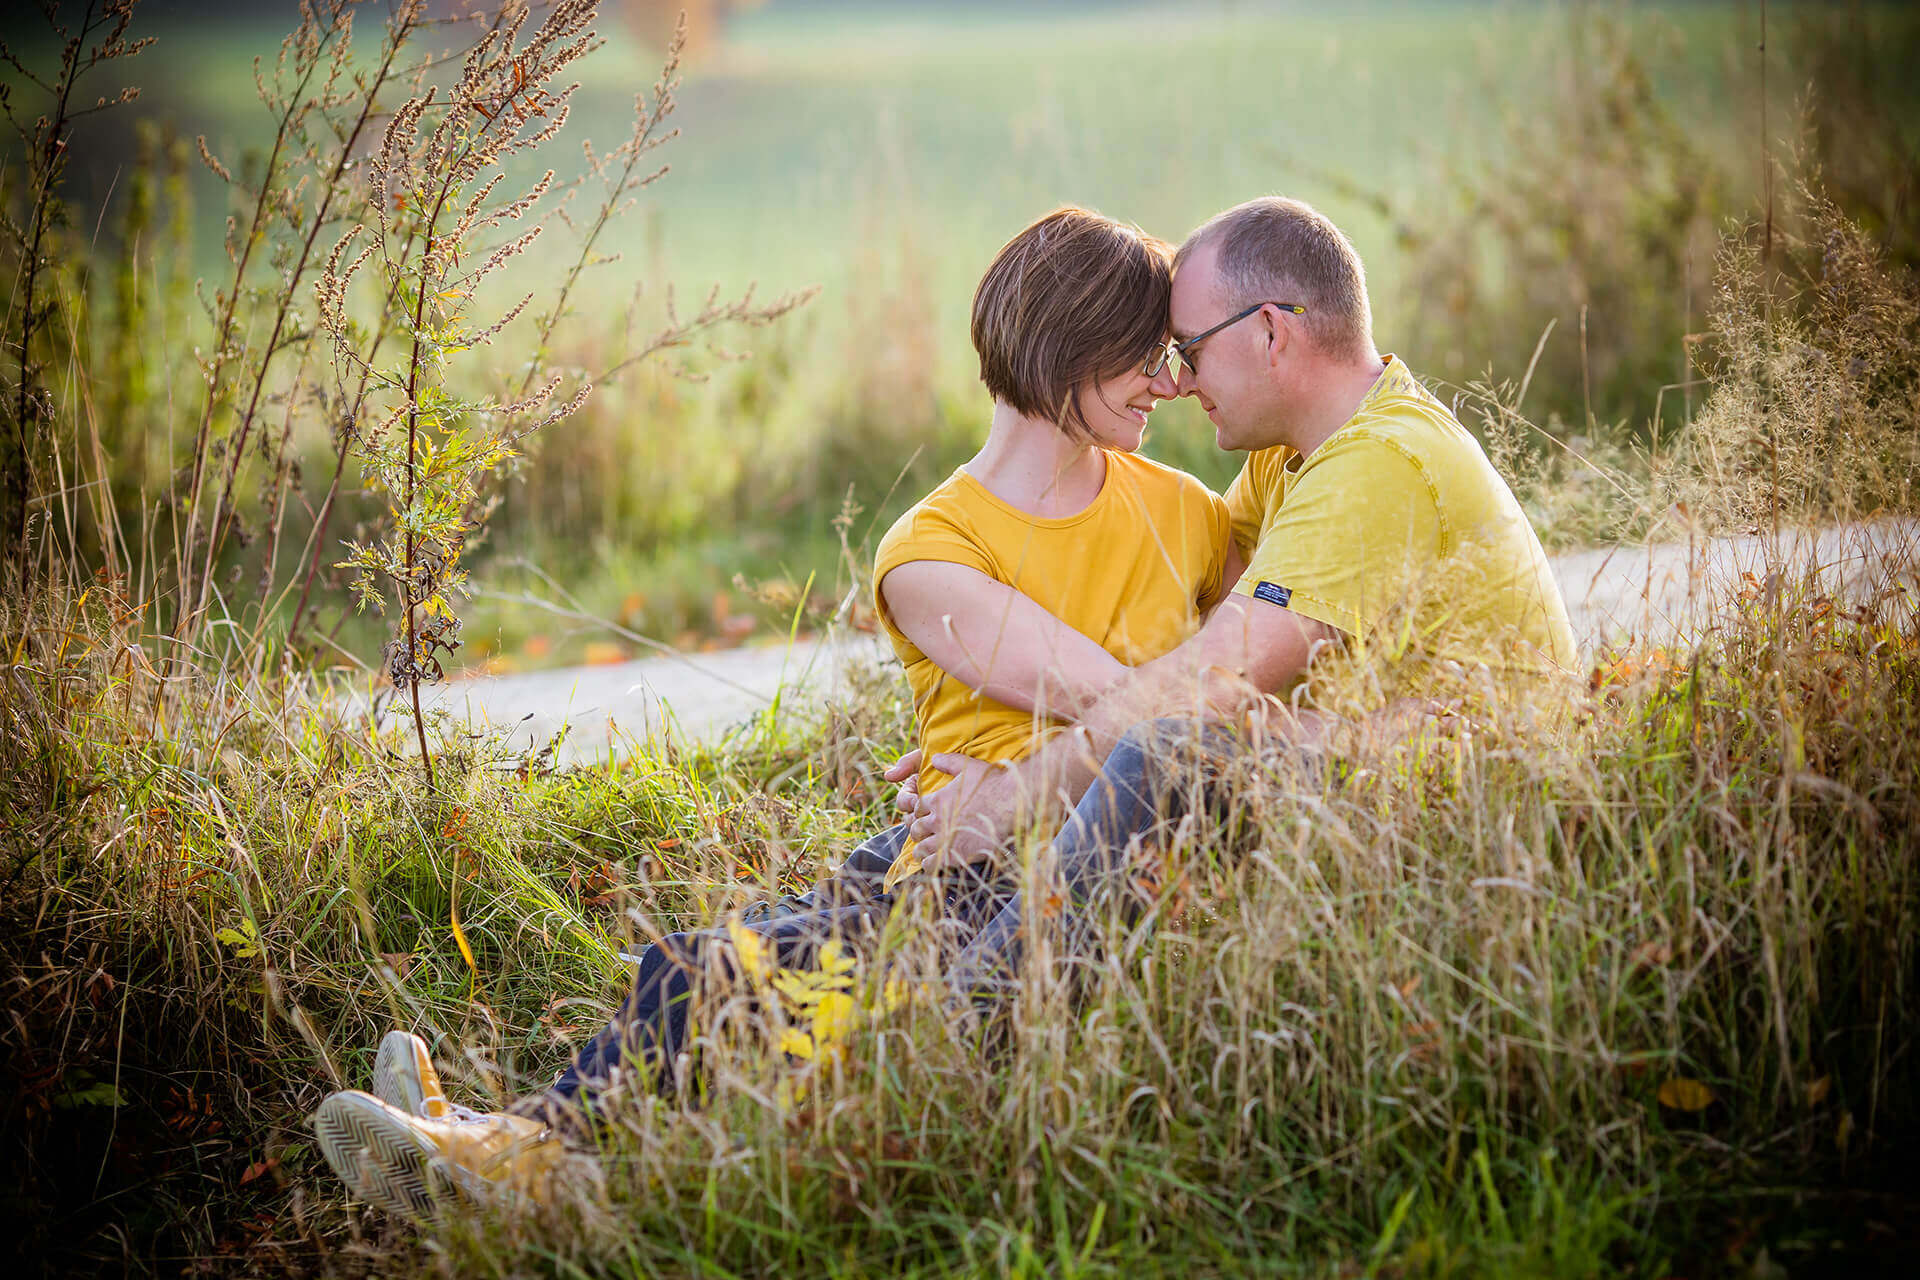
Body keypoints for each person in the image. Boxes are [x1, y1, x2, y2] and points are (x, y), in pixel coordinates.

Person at [308, 206, 1241, 1219]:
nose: (1173, 381)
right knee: (702, 970)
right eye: (1146, 353)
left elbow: (1243, 678)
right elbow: (1112, 688)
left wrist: (1044, 769)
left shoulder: (1188, 508)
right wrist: (1167, 694)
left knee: (728, 977)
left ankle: (499, 1153)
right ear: (1068, 346)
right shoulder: (932, 548)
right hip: (953, 858)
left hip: (1071, 853)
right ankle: (510, 1154)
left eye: (1174, 354)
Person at [906, 195, 1579, 990]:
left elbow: (1211, 679)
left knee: (1167, 755)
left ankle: (977, 1017)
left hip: (1480, 797)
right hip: (1355, 757)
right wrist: (990, 757)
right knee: (943, 834)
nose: (1181, 382)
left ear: (1270, 331)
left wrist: (1014, 798)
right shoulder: (1294, 458)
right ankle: (800, 957)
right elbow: (1178, 614)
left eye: (1188, 348)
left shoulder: (1382, 462)